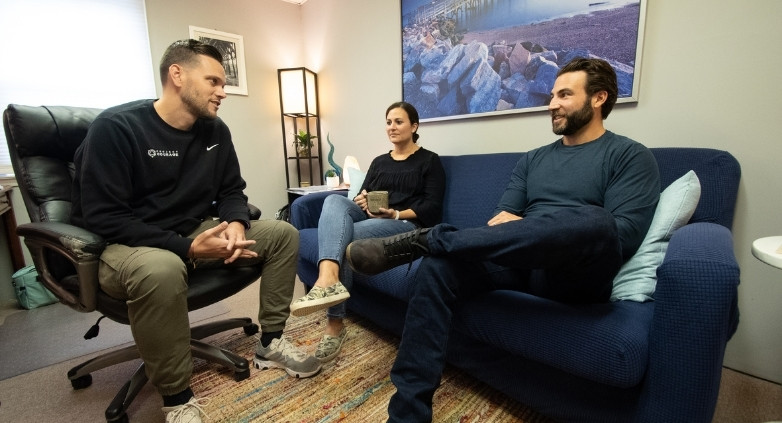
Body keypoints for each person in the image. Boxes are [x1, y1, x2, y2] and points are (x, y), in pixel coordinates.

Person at [345, 58, 661, 422]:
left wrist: (539, 226)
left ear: (598, 98)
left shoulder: (629, 156)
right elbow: (500, 221)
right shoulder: (533, 159)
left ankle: (429, 238)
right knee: (437, 268)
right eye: (552, 95)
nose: (552, 104)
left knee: (597, 220)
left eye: (564, 95)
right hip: (518, 260)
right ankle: (407, 415)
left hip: (574, 272)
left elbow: (622, 235)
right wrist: (525, 229)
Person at [71, 39, 321, 423]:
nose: (223, 92)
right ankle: (177, 399)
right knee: (162, 268)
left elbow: (231, 191)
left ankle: (271, 342)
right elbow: (105, 218)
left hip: (193, 231)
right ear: (177, 75)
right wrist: (187, 248)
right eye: (213, 81)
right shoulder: (116, 128)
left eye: (223, 83)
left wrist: (235, 223)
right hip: (126, 243)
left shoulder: (214, 130)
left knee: (283, 234)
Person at [289, 101, 446, 362]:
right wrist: (362, 199)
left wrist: (395, 213)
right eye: (388, 122)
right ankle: (328, 278)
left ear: (414, 126)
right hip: (369, 217)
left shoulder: (429, 161)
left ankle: (334, 325)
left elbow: (432, 206)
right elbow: (366, 192)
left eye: (398, 122)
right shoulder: (380, 161)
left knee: (343, 239)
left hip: (403, 224)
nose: (391, 127)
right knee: (334, 200)